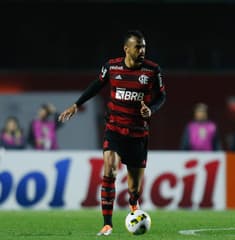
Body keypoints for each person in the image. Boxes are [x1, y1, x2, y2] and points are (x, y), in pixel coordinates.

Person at [58, 30, 166, 236]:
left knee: (134, 189)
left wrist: (151, 108)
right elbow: (96, 85)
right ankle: (107, 223)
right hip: (114, 130)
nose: (142, 50)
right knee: (110, 170)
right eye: (138, 46)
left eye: (144, 46)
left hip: (138, 134)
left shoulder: (153, 71)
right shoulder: (112, 67)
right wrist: (76, 105)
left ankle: (134, 204)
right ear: (126, 49)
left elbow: (162, 97)